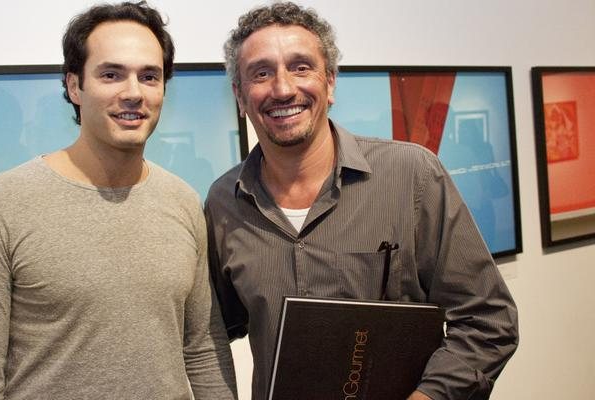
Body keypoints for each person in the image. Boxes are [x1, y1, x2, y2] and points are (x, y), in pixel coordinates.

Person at [205, 2, 518, 400]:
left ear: (330, 82)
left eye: (301, 67)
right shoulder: (224, 202)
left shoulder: (412, 175)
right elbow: (210, 331)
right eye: (261, 73)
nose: (283, 88)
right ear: (239, 93)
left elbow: (489, 320)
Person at [0, 2, 237, 399]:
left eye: (149, 76)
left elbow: (203, 348)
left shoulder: (183, 200)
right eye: (112, 74)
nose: (133, 93)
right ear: (74, 86)